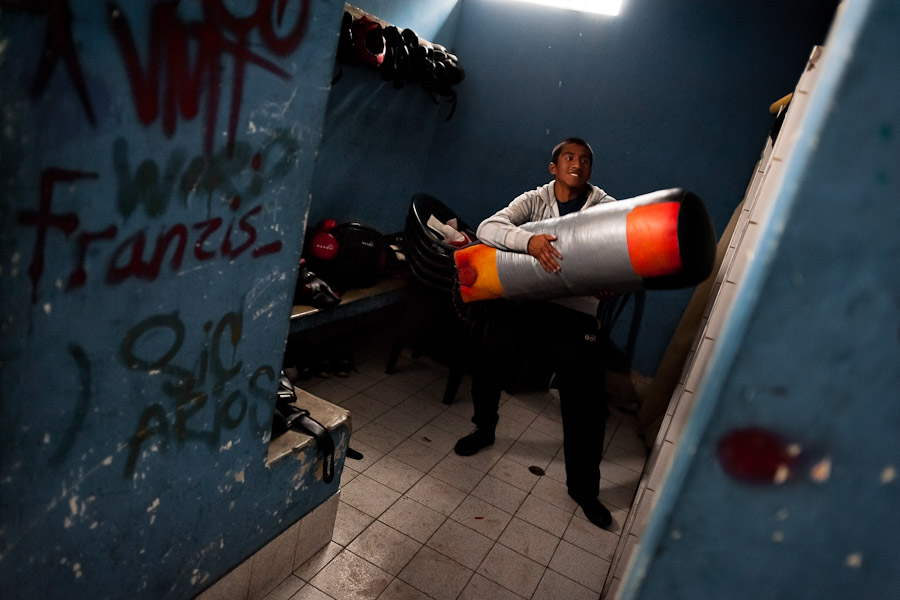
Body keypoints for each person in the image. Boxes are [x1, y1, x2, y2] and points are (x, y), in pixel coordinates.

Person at [454, 137, 617, 529]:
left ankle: (583, 490)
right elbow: (488, 227)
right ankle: (484, 427)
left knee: (587, 405)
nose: (577, 164)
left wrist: (611, 281)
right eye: (568, 157)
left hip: (576, 314)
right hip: (529, 303)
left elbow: (617, 252)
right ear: (553, 167)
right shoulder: (535, 200)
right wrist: (528, 240)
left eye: (585, 160)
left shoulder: (606, 207)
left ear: (590, 171)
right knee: (490, 363)